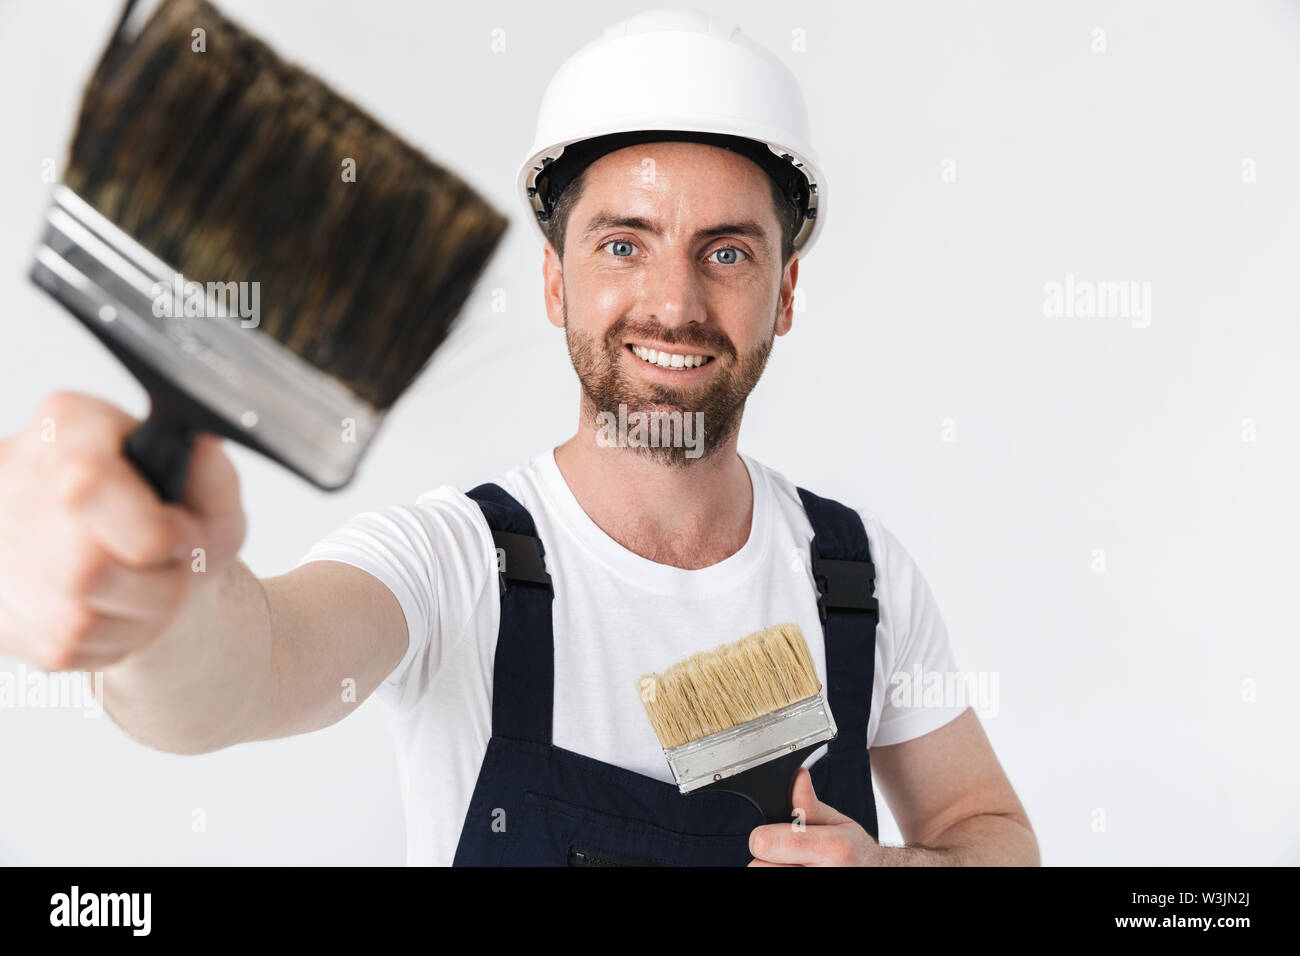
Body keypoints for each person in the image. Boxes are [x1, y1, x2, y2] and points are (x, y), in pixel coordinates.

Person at [0, 9, 1038, 867]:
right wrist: (155, 606)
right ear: (556, 281)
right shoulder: (451, 562)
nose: (672, 302)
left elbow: (992, 836)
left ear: (786, 291)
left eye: (725, 251)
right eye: (622, 243)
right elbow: (249, 669)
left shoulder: (856, 575)